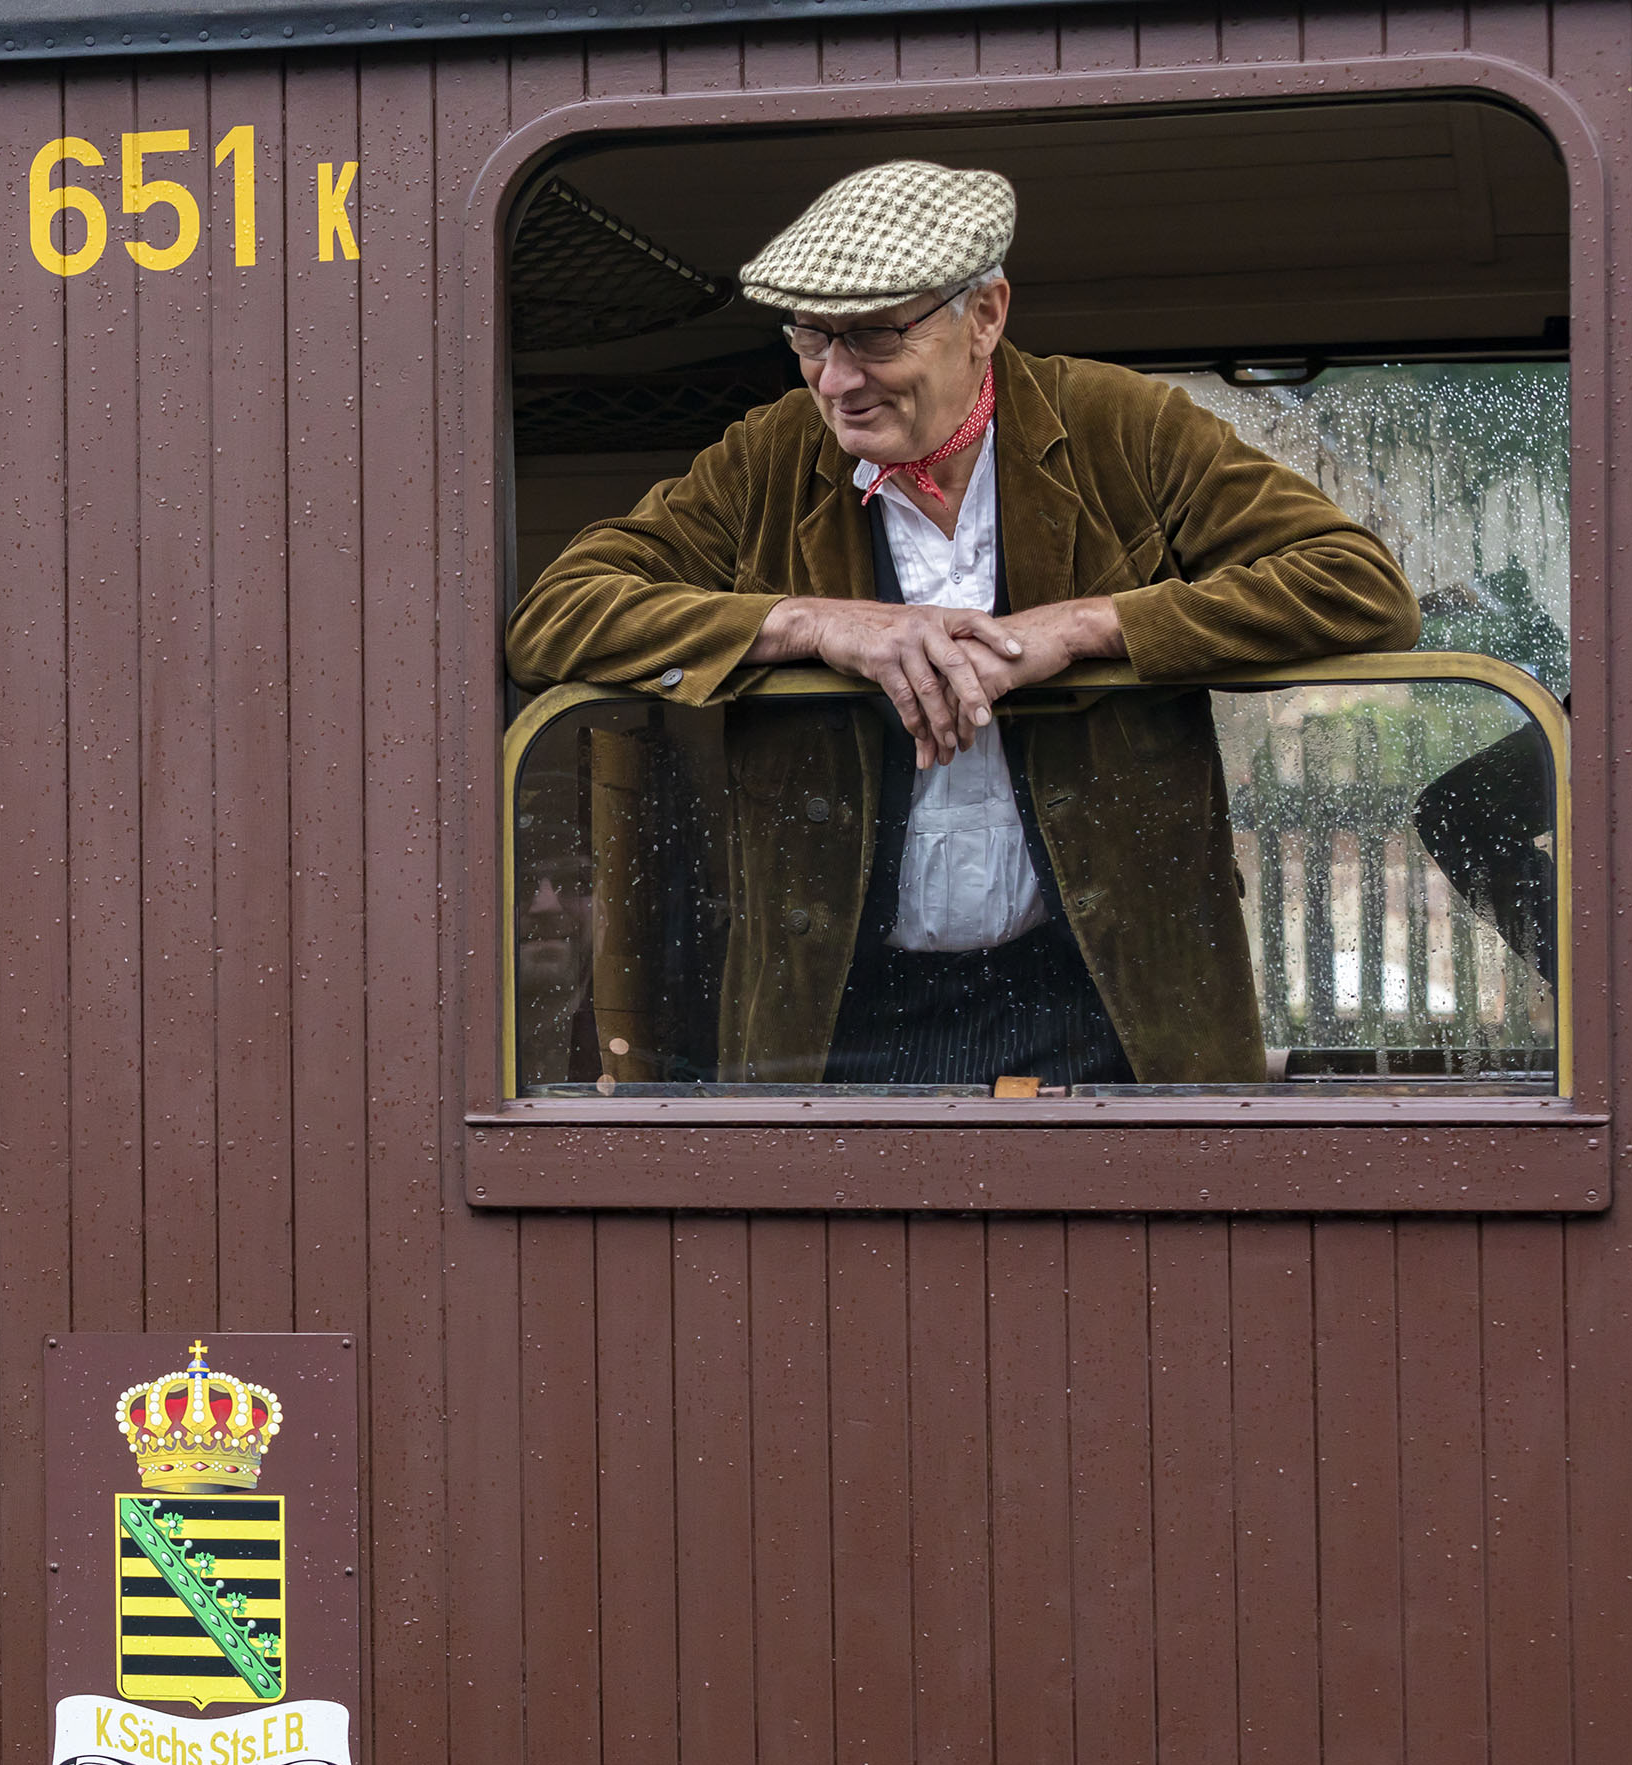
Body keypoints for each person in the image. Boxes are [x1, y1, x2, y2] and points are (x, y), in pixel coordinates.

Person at [504, 160, 1420, 1087]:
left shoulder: (1121, 427)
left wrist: (1091, 627)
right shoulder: (770, 455)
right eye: (811, 340)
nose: (837, 381)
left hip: (1113, 996)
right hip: (831, 1012)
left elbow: (1357, 588)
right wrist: (813, 624)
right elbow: (556, 616)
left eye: (873, 338)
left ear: (984, 316)